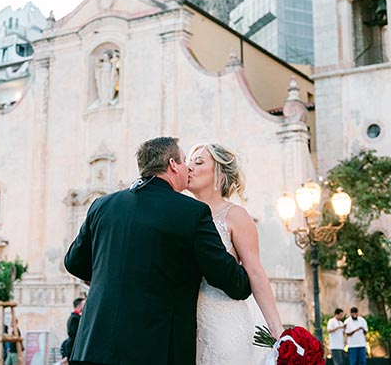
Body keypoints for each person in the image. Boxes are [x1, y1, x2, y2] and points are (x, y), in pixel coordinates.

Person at [64, 136, 252, 365]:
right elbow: (229, 279)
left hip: (93, 347)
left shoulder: (103, 205)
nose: (188, 168)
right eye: (184, 161)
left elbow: (73, 262)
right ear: (173, 165)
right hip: (155, 350)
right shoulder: (191, 212)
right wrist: (243, 272)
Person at [187, 142, 284, 364]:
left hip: (225, 323)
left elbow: (255, 272)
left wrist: (279, 332)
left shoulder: (235, 215)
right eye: (189, 162)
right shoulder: (182, 214)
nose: (189, 167)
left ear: (219, 174)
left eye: (198, 162)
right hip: (187, 325)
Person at [61, 297, 86, 363]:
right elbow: (73, 334)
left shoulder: (75, 317)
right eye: (84, 304)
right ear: (79, 306)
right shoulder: (74, 318)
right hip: (72, 348)